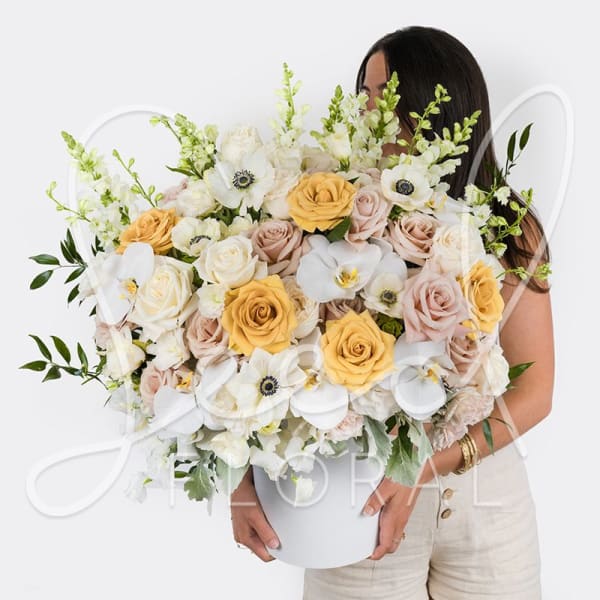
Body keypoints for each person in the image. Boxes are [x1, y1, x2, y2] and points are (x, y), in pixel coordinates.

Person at [231, 26, 555, 600]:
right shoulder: (330, 212)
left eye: (387, 95)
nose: (369, 110)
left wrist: (423, 467)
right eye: (364, 93)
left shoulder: (508, 225)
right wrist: (242, 479)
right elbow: (259, 364)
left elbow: (535, 393)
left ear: (439, 102)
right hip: (353, 506)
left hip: (488, 512)